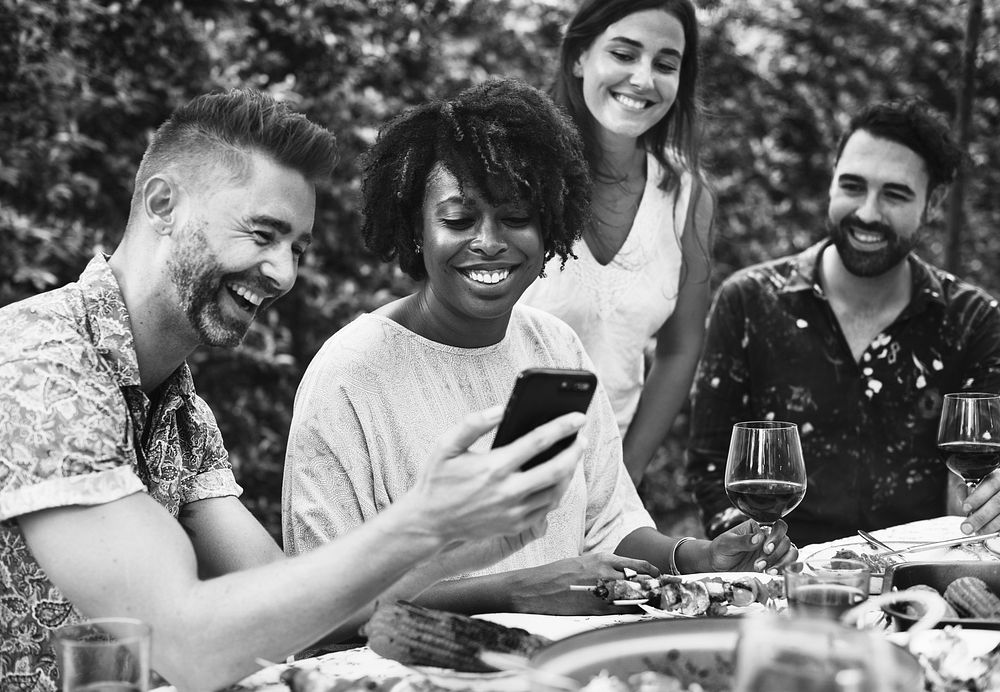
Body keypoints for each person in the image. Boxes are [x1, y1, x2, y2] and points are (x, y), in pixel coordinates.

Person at [0, 88, 587, 692]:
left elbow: (295, 609)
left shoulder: (179, 411)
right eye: (262, 234)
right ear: (161, 203)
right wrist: (422, 521)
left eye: (296, 247)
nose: (284, 273)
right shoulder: (38, 364)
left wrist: (464, 540)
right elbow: (187, 643)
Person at [282, 78, 796, 617]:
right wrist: (512, 591)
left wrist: (696, 557)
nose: (489, 241)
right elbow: (317, 606)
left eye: (516, 218)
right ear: (415, 228)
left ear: (549, 228)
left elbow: (608, 522)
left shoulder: (554, 347)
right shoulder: (348, 377)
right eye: (458, 220)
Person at [686, 97, 1000, 547]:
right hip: (783, 583)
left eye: (895, 194)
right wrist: (755, 555)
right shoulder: (749, 301)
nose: (868, 213)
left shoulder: (975, 320)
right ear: (831, 183)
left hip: (922, 584)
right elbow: (711, 465)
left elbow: (983, 475)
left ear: (934, 203)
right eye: (852, 186)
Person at [519, 0, 715, 484]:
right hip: (493, 476)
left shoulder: (687, 196)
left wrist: (622, 480)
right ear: (580, 57)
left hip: (606, 491)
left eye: (665, 64)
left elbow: (681, 347)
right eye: (624, 54)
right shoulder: (515, 173)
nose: (644, 79)